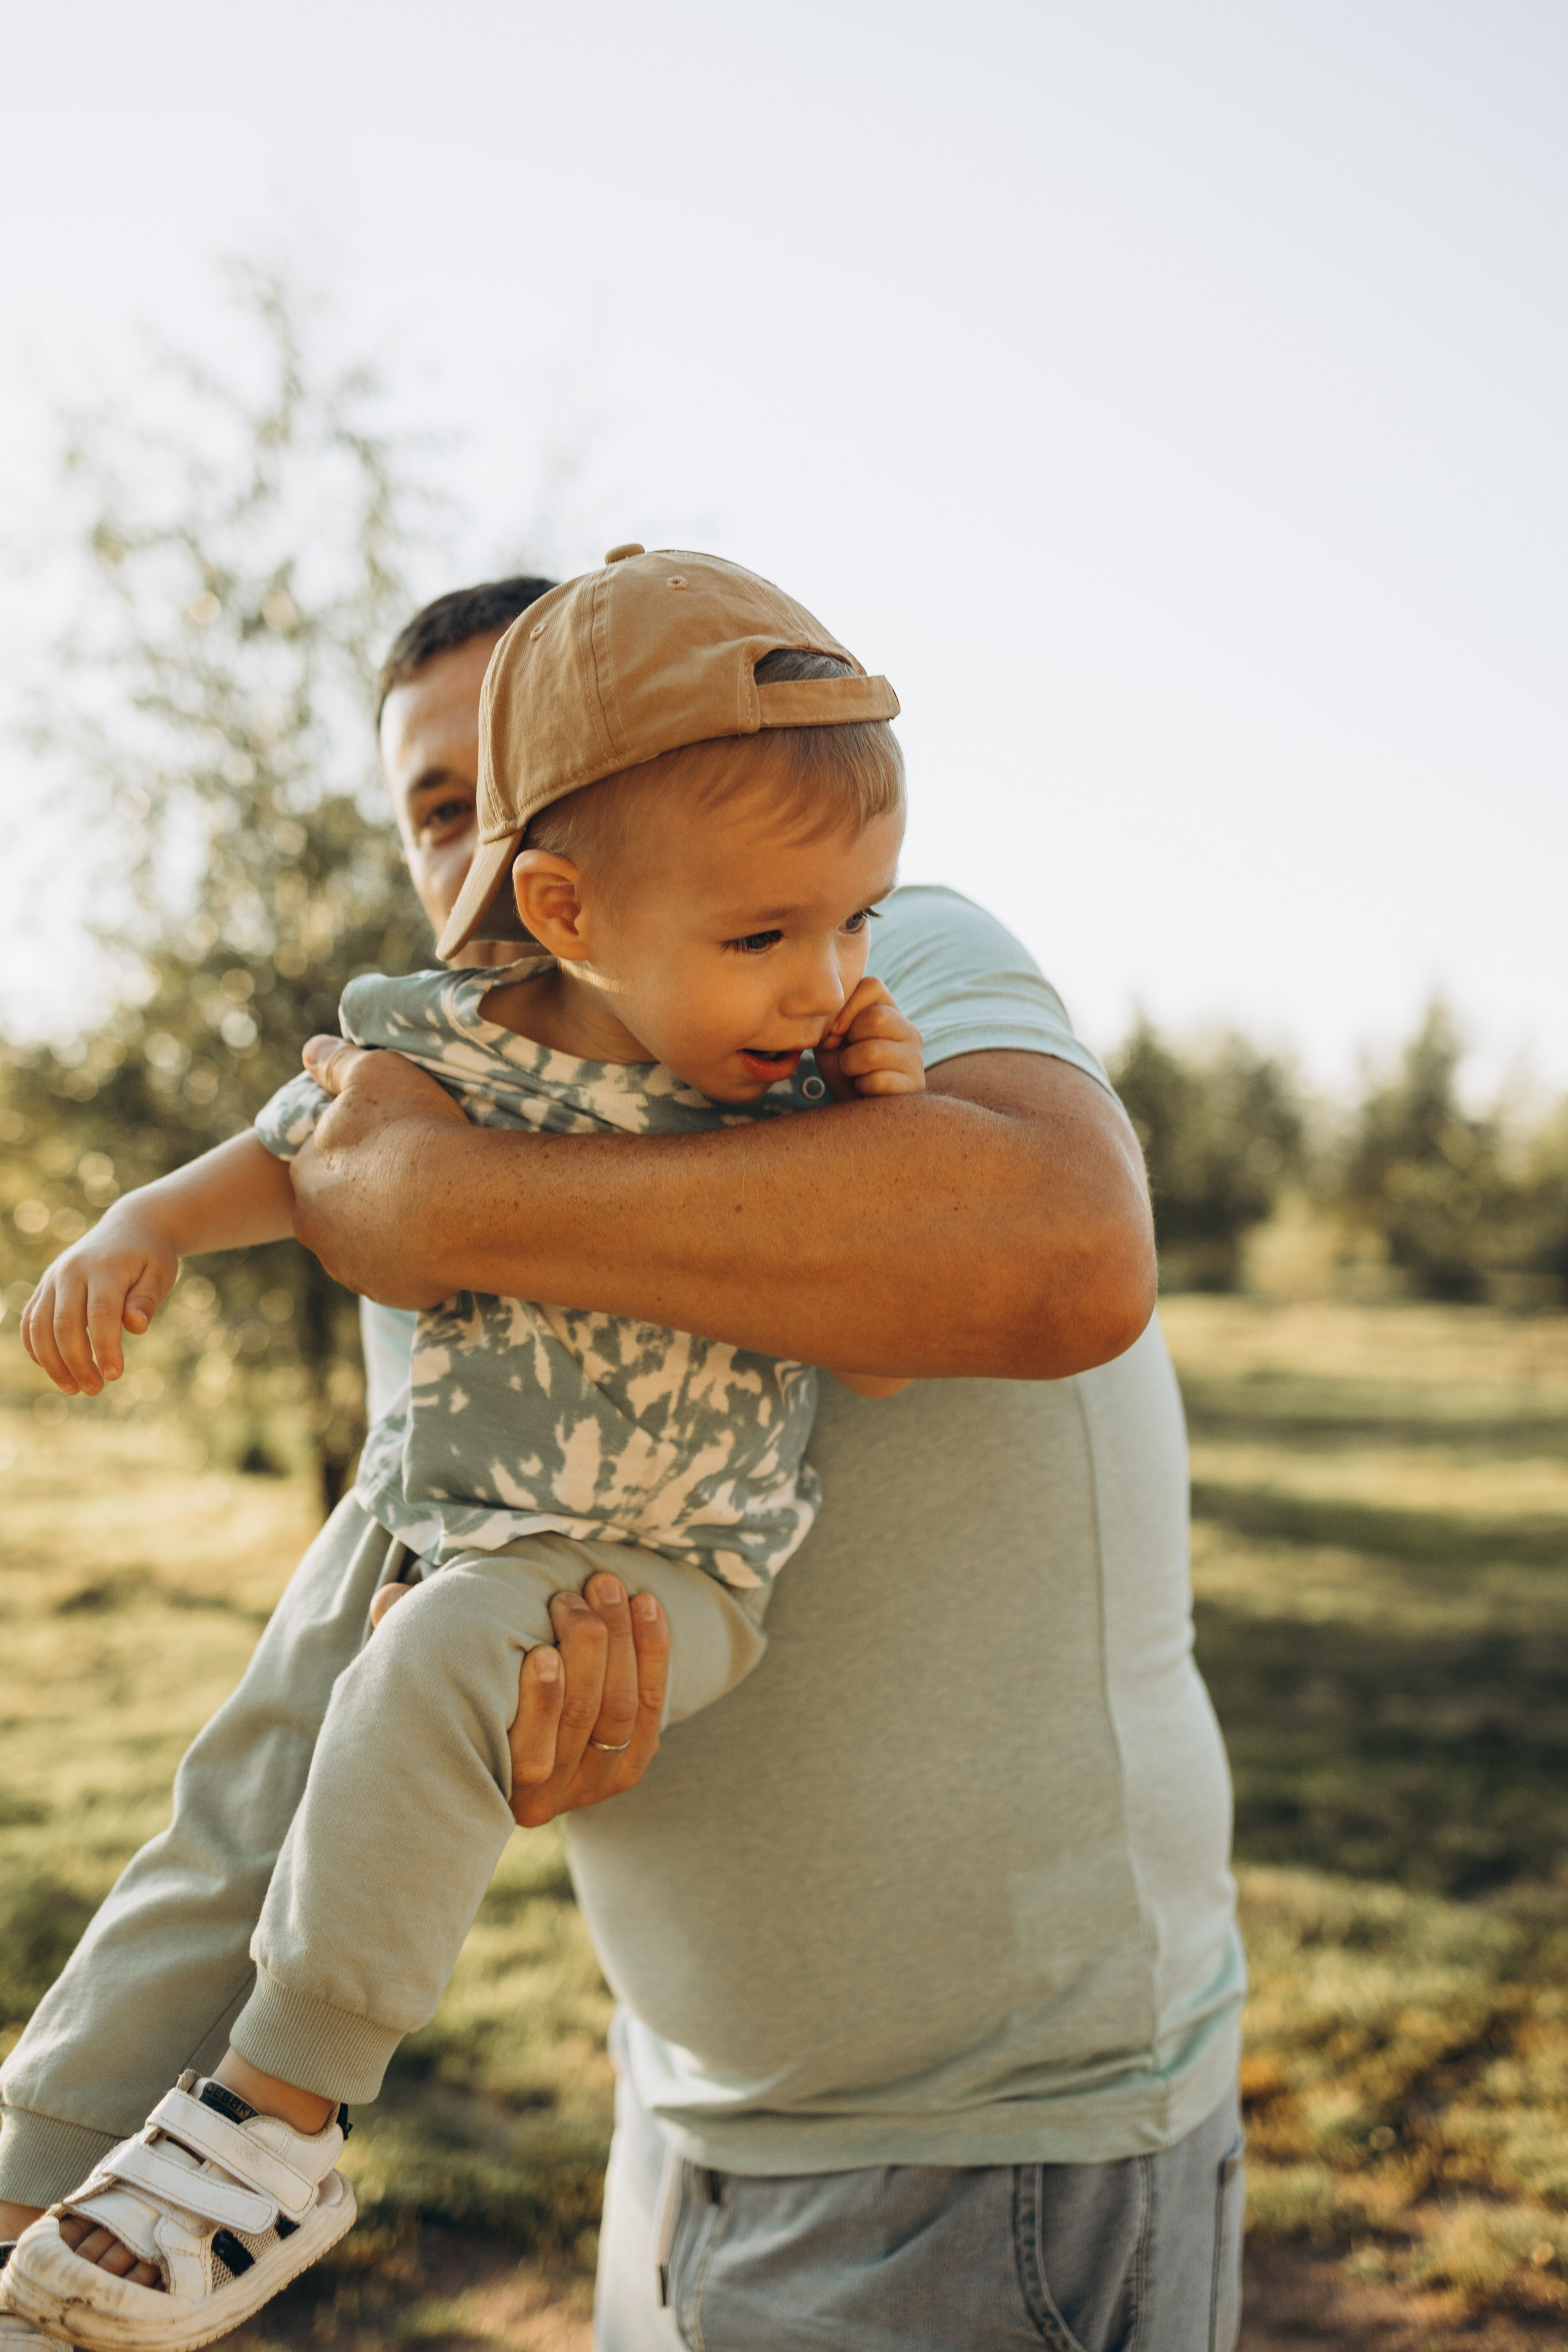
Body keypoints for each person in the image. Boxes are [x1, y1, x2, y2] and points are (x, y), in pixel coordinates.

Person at [11, 556, 1245, 2352]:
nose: (484, 855)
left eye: (523, 779)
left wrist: (435, 1187)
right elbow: (355, 1665)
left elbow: (1062, 1251)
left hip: (991, 2133)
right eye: (443, 811)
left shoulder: (864, 962)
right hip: (692, 2105)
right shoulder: (436, 1110)